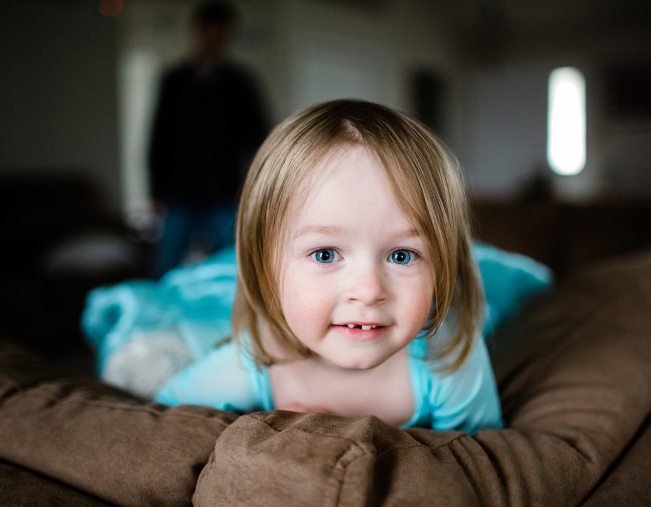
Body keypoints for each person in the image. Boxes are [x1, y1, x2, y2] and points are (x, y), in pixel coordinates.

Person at [152, 100, 509, 433]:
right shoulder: (250, 364)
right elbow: (162, 416)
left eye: (402, 255)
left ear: (443, 266)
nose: (369, 291)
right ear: (264, 266)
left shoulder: (449, 359)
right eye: (325, 254)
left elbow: (483, 461)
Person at [149, 1, 268, 278]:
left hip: (224, 191)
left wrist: (252, 189)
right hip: (179, 192)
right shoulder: (174, 81)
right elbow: (159, 138)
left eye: (220, 34)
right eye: (208, 32)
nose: (213, 40)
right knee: (165, 267)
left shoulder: (240, 83)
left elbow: (258, 139)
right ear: (197, 32)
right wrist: (155, 191)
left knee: (236, 268)